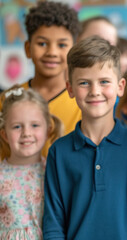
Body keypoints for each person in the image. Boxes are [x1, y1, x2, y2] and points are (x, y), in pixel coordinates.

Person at [42, 36, 127, 239]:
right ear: (70, 89)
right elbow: (53, 222)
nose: (95, 92)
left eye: (104, 82)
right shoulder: (58, 152)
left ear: (120, 86)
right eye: (84, 83)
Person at [0, 86, 62, 238]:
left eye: (34, 125)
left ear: (48, 130)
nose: (26, 133)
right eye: (17, 127)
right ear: (5, 134)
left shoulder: (54, 172)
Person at [22, 1, 81, 156]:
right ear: (28, 49)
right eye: (42, 43)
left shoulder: (83, 101)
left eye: (62, 45)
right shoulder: (8, 99)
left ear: (73, 50)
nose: (52, 52)